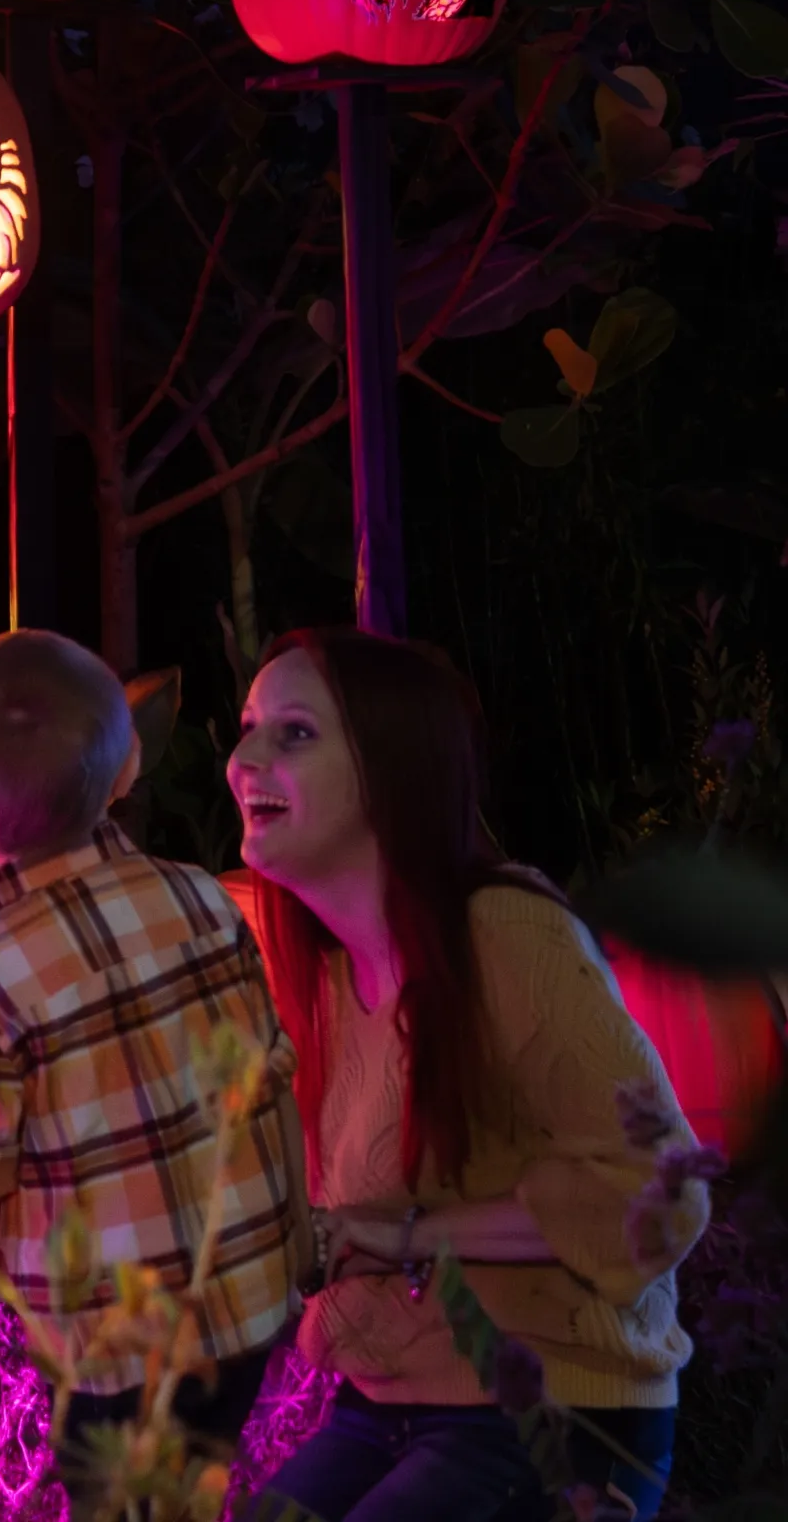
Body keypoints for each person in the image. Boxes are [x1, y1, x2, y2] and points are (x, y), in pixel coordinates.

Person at [230, 629, 711, 1522]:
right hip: (385, 1405)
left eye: (293, 733)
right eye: (249, 726)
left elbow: (661, 1191)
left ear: (392, 768)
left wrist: (405, 1235)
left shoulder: (505, 937)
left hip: (556, 1408)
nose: (243, 758)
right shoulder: (320, 983)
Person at [0, 629, 305, 1509]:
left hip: (115, 1344)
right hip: (246, 1298)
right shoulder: (204, 898)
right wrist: (299, 1248)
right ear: (127, 768)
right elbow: (268, 1084)